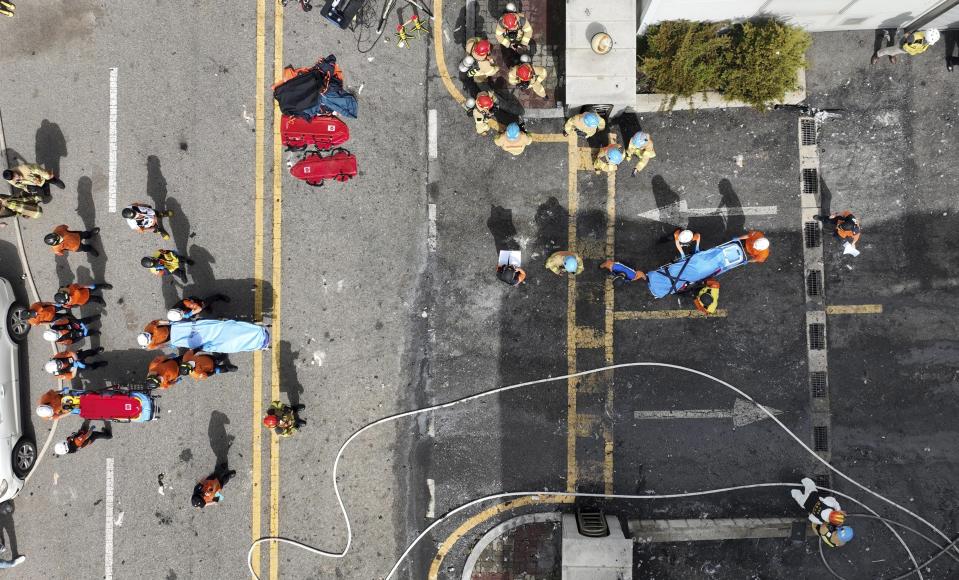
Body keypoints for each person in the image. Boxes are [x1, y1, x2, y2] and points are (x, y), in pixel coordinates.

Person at [790, 477, 854, 547]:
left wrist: (838, 510)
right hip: (806, 504)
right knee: (800, 499)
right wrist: (810, 514)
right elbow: (811, 518)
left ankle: (804, 480)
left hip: (812, 495)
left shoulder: (824, 528)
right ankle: (795, 492)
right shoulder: (838, 543)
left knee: (810, 486)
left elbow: (830, 500)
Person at [872, 28, 940, 64]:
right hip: (901, 47)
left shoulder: (926, 39)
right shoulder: (913, 38)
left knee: (896, 51)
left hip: (907, 50)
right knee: (889, 51)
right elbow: (905, 38)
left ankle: (893, 54)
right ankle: (877, 54)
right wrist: (901, 45)